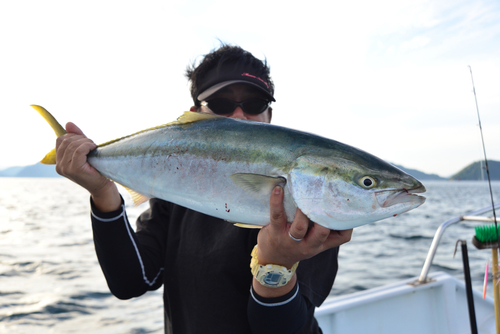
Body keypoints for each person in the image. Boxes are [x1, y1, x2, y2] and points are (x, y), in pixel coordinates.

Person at [55, 44, 353, 334]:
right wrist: (104, 194)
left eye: (254, 104)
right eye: (221, 104)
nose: (238, 116)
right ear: (194, 116)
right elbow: (131, 281)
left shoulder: (308, 200)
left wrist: (278, 264)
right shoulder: (174, 193)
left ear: (269, 117)